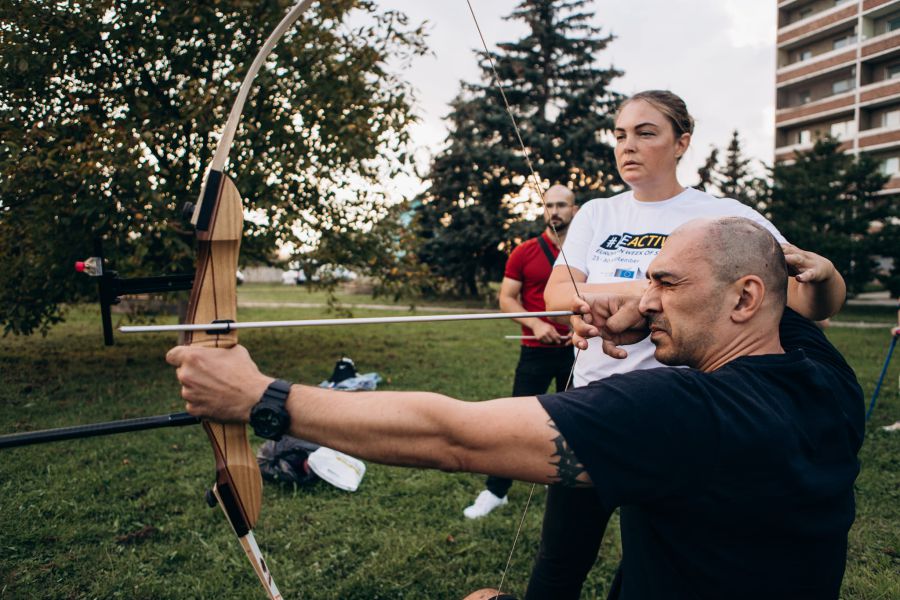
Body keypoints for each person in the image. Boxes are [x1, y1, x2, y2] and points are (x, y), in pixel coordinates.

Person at [168, 217, 863, 600]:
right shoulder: (820, 372)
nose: (645, 299)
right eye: (644, 280)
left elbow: (456, 438)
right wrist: (819, 274)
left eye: (667, 284)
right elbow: (809, 300)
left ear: (743, 299)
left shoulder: (688, 412)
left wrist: (260, 399)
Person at [528, 89, 848, 599]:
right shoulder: (597, 213)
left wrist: (829, 277)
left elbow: (810, 300)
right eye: (620, 135)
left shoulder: (723, 216)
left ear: (682, 142)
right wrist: (652, 290)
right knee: (559, 559)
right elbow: (559, 293)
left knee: (650, 563)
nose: (627, 146)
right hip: (590, 404)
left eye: (646, 133)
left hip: (678, 413)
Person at [464, 184, 578, 519]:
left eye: (562, 205)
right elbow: (506, 299)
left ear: (574, 209)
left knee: (573, 421)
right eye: (549, 205)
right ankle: (496, 491)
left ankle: (562, 482)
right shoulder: (524, 251)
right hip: (535, 350)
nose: (554, 211)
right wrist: (536, 325)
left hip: (578, 349)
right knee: (514, 422)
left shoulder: (587, 251)